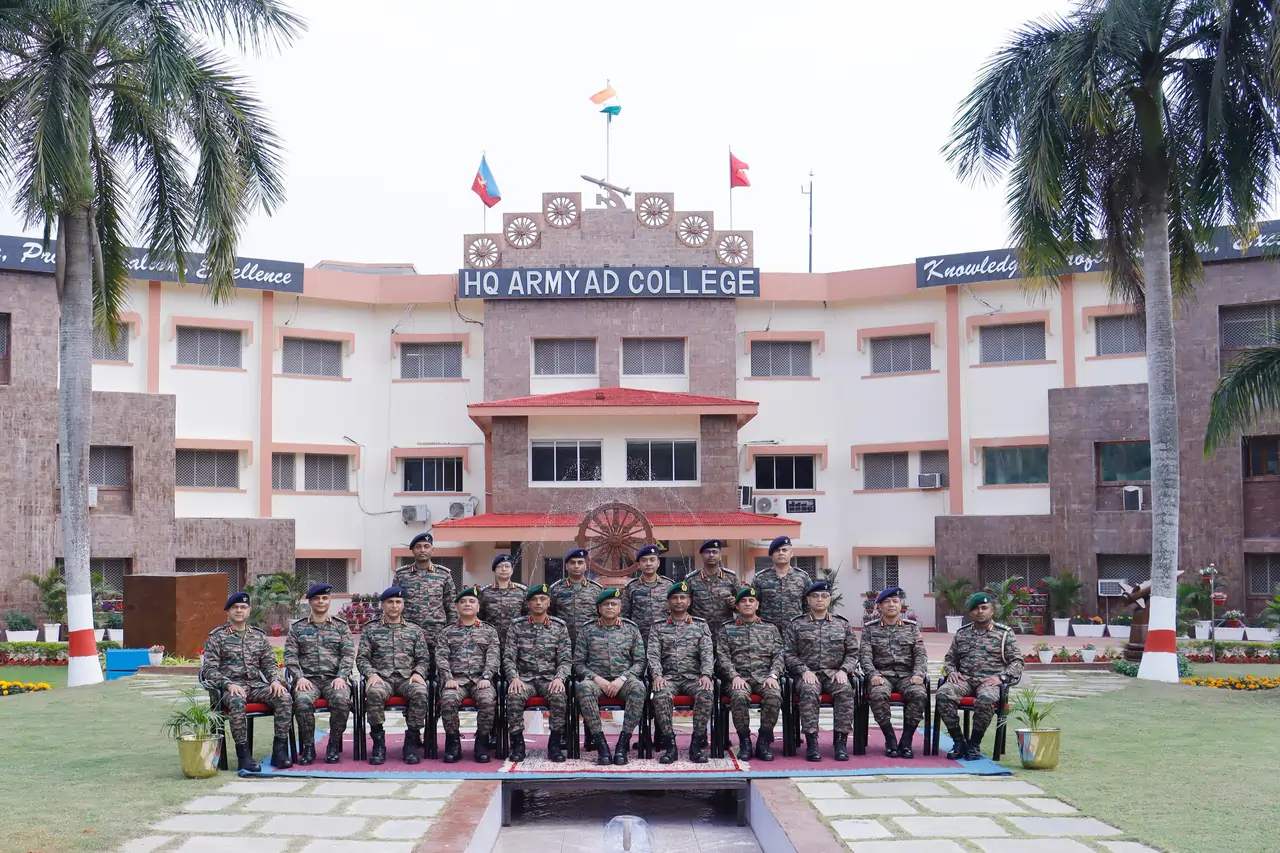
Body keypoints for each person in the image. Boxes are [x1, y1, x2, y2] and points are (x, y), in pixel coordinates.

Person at [201, 591, 294, 772]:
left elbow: (270, 663)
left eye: (243, 607)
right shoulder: (217, 637)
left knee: (284, 697)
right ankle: (244, 755)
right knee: (237, 701)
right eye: (235, 607)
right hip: (230, 689)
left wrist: (275, 681)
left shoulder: (258, 636)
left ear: (249, 611)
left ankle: (279, 752)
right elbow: (209, 669)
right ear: (227, 612)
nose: (239, 610)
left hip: (256, 686)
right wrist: (228, 684)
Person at [936, 591, 1023, 761]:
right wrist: (952, 671)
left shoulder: (1004, 634)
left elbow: (1017, 662)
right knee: (943, 694)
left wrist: (1002, 678)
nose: (980, 611)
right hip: (965, 680)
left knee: (986, 699)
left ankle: (974, 744)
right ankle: (958, 741)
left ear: (992, 610)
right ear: (971, 613)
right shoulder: (962, 633)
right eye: (976, 609)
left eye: (984, 608)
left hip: (990, 681)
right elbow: (950, 658)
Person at [784, 580, 859, 762]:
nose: (819, 600)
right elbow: (788, 654)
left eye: (824, 596)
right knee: (809, 691)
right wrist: (803, 671)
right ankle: (812, 743)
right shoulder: (796, 624)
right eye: (815, 596)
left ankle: (840, 743)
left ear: (829, 600)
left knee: (845, 690)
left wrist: (844, 670)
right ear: (808, 600)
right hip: (808, 674)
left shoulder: (842, 624)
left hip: (835, 673)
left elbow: (853, 652)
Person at [356, 586, 430, 766]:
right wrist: (371, 674)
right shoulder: (371, 629)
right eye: (390, 602)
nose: (394, 606)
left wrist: (418, 672)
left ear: (403, 605)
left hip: (407, 679)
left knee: (421, 692)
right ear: (383, 605)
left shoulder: (414, 630)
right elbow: (362, 658)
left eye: (398, 602)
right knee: (373, 693)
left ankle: (411, 743)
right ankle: (379, 744)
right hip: (382, 679)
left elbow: (423, 658)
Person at [573, 587, 647, 766]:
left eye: (614, 604)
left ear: (620, 607)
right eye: (605, 604)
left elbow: (640, 661)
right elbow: (578, 663)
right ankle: (601, 745)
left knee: (638, 688)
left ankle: (623, 743)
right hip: (597, 682)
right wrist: (596, 678)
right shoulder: (587, 630)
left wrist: (622, 678)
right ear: (599, 608)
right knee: (583, 688)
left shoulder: (631, 629)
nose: (610, 607)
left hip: (623, 681)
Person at [284, 582, 355, 765]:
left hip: (334, 679)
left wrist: (342, 676)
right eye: (317, 598)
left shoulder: (341, 627)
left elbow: (347, 654)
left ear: (329, 601)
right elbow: (290, 656)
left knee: (342, 699)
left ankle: (333, 744)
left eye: (325, 598)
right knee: (302, 701)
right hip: (308, 681)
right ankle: (308, 747)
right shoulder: (298, 628)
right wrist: (299, 677)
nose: (321, 601)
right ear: (310, 602)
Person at [503, 582, 572, 763]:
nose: (538, 603)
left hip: (549, 679)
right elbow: (509, 657)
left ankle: (554, 745)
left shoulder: (559, 627)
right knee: (514, 695)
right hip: (524, 679)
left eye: (542, 599)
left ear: (549, 602)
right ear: (528, 604)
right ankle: (518, 744)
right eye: (534, 600)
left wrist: (560, 678)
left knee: (559, 695)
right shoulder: (517, 626)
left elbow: (565, 659)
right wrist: (514, 678)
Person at [647, 580, 714, 764]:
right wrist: (657, 675)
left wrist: (706, 675)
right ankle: (670, 745)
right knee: (660, 696)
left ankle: (696, 744)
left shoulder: (700, 625)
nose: (679, 601)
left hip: (694, 678)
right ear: (668, 602)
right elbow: (653, 655)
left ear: (689, 601)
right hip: (668, 678)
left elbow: (707, 653)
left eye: (683, 597)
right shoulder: (658, 626)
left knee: (706, 693)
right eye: (675, 598)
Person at [715, 586, 784, 762]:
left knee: (774, 695)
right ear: (737, 606)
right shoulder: (726, 629)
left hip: (764, 677)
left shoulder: (770, 629)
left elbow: (779, 655)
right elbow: (722, 657)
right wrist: (733, 676)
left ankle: (763, 740)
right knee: (738, 696)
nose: (747, 604)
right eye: (743, 601)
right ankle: (745, 740)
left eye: (751, 601)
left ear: (757, 604)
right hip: (739, 677)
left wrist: (773, 675)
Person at [860, 586, 928, 759]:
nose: (891, 605)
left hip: (907, 676)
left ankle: (906, 741)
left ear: (901, 606)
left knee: (919, 694)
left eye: (895, 601)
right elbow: (865, 656)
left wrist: (918, 674)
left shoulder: (912, 628)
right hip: (882, 676)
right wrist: (872, 674)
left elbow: (920, 654)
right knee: (877, 694)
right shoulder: (870, 629)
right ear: (880, 606)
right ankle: (890, 739)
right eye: (887, 602)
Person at [436, 586, 501, 763]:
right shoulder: (447, 632)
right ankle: (453, 742)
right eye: (463, 602)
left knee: (487, 700)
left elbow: (494, 657)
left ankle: (482, 742)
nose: (467, 604)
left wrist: (487, 677)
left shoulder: (489, 631)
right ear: (456, 607)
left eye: (472, 601)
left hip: (481, 681)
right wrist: (447, 678)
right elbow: (441, 657)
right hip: (456, 682)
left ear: (478, 607)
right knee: (448, 700)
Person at [393, 531, 458, 643]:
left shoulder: (443, 574)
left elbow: (451, 606)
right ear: (412, 550)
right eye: (418, 547)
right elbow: (393, 603)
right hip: (408, 633)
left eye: (426, 546)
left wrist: (452, 632)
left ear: (432, 550)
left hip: (437, 633)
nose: (422, 550)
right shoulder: (401, 575)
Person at [549, 548, 603, 647]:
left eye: (580, 562)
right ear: (566, 566)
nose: (576, 566)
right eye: (572, 563)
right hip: (563, 641)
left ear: (586, 566)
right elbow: (550, 614)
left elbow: (602, 615)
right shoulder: (556, 589)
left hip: (590, 642)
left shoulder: (597, 590)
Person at [752, 536, 812, 626]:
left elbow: (809, 605)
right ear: (771, 555)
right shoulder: (760, 578)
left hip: (795, 630)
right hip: (768, 631)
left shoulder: (803, 577)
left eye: (784, 550)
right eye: (777, 550)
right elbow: (754, 605)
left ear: (791, 553)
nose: (781, 553)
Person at [620, 544, 673, 645]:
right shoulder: (631, 587)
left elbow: (676, 612)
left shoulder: (669, 585)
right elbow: (625, 615)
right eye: (644, 560)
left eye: (652, 560)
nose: (648, 563)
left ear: (658, 563)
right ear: (639, 565)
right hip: (639, 639)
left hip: (665, 637)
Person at [687, 539, 738, 632]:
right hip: (699, 632)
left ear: (720, 556)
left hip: (725, 631)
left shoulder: (731, 577)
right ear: (702, 555)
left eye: (714, 552)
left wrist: (734, 605)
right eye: (707, 552)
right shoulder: (691, 579)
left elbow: (741, 603)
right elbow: (686, 607)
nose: (711, 555)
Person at [479, 553, 526, 647]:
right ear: (494, 570)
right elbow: (480, 617)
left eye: (507, 566)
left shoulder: (522, 592)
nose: (504, 569)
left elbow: (526, 616)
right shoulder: (484, 592)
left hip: (515, 642)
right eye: (500, 566)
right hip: (490, 642)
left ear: (512, 570)